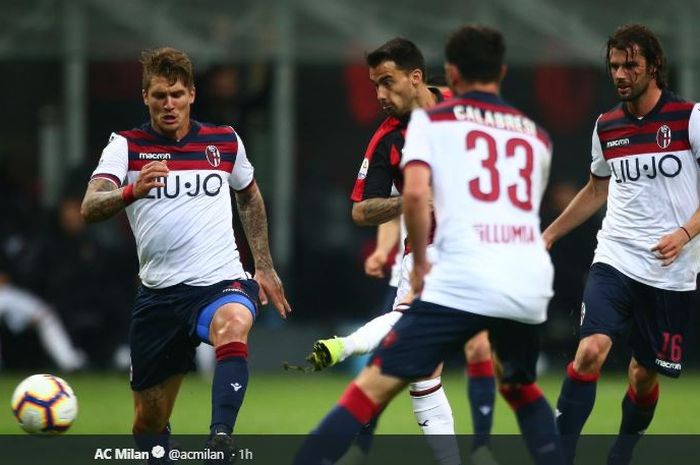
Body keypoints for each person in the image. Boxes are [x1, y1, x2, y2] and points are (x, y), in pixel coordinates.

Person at [294, 25, 563, 465]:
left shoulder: (431, 125)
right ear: (503, 70)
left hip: (455, 266)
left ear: (446, 74)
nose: (380, 94)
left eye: (387, 81)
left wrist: (418, 262)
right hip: (523, 271)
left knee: (375, 382)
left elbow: (417, 196)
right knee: (517, 384)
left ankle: (343, 360)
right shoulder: (534, 133)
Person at [80, 47, 291, 464]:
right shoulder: (126, 147)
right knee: (148, 422)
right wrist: (131, 191)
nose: (169, 104)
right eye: (159, 95)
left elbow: (248, 197)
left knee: (233, 323)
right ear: (145, 97)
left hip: (219, 281)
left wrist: (263, 265)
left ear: (192, 94)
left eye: (176, 94)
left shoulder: (224, 141)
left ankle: (220, 438)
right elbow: (89, 206)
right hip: (159, 297)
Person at [306, 37, 497, 465]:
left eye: (387, 82)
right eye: (374, 84)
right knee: (420, 370)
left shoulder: (466, 107)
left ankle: (347, 347)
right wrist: (409, 200)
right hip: (424, 252)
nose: (379, 94)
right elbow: (362, 210)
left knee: (445, 345)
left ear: (415, 78)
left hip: (479, 243)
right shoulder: (388, 139)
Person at [542, 23, 700, 465]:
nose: (621, 73)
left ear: (654, 66)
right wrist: (550, 234)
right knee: (590, 350)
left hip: (672, 270)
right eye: (614, 65)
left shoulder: (690, 118)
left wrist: (686, 233)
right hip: (615, 256)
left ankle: (622, 452)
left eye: (630, 64)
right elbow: (596, 189)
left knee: (643, 375)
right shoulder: (607, 125)